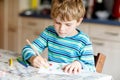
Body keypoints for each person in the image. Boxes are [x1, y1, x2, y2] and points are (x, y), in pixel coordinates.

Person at [21, 0, 96, 74]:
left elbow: (92, 69)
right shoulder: (49, 32)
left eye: (68, 24)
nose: (61, 29)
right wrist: (32, 58)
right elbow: (27, 49)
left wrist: (79, 64)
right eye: (57, 23)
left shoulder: (83, 41)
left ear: (78, 21)